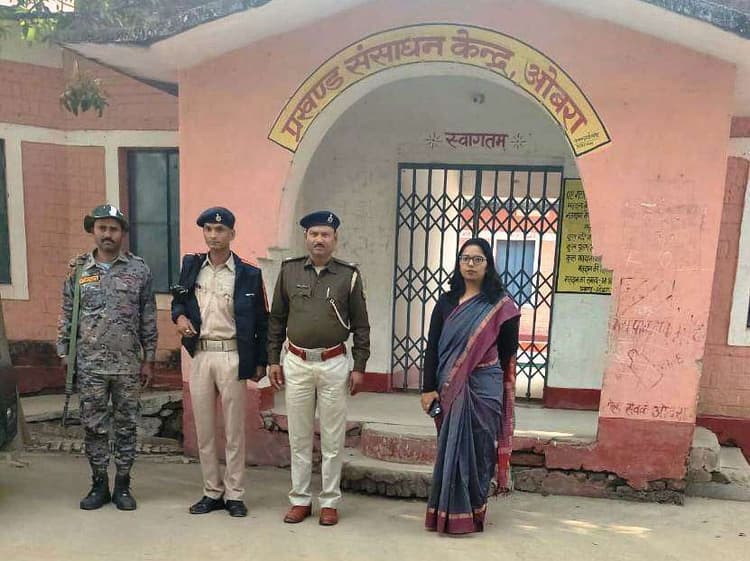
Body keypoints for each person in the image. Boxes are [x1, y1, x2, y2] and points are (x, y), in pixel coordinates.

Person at [268, 210, 370, 526]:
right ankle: (300, 499)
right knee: (299, 437)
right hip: (297, 362)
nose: (319, 240)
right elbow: (276, 319)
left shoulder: (348, 275)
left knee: (332, 439)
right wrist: (273, 359)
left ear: (335, 239)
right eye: (314, 234)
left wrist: (359, 365)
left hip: (333, 363)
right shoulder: (288, 271)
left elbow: (361, 325)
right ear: (306, 238)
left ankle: (329, 501)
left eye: (325, 234)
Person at [57, 204, 157, 511]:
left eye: (113, 229)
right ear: (93, 231)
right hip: (90, 365)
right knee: (94, 427)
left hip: (127, 366)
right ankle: (99, 484)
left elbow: (148, 317)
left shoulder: (139, 270)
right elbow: (67, 314)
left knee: (126, 426)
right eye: (102, 228)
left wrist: (149, 358)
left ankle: (123, 486)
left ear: (122, 233)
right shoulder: (79, 270)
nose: (107, 234)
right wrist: (64, 353)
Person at [171, 207, 269, 518]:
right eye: (208, 230)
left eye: (220, 230)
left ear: (232, 234)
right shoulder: (192, 266)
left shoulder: (249, 274)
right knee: (204, 429)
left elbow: (262, 321)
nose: (213, 235)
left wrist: (261, 361)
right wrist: (180, 317)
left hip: (232, 354)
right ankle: (211, 491)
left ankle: (235, 494)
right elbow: (179, 301)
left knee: (234, 430)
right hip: (201, 354)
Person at [421, 238, 520, 535]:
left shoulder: (501, 306)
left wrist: (477, 366)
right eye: (465, 258)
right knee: (451, 447)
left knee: (480, 449)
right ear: (459, 263)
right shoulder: (446, 302)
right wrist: (428, 388)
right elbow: (433, 347)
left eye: (478, 259)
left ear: (488, 265)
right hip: (450, 386)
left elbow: (507, 351)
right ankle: (446, 513)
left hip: (485, 387)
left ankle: (474, 512)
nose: (471, 264)